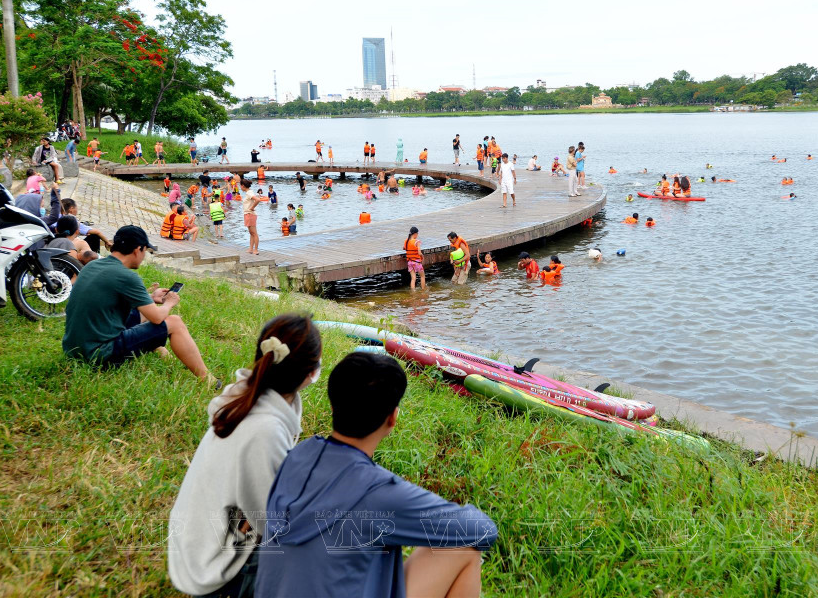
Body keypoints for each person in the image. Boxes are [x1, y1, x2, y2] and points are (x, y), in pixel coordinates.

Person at [255, 352, 496, 598]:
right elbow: (483, 530)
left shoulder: (297, 456)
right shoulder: (378, 492)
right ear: (393, 418)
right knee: (464, 548)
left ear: (333, 405)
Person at [169, 314, 322, 597]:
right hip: (211, 566)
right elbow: (275, 525)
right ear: (310, 373)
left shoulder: (244, 396)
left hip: (198, 538)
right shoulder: (265, 431)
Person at [62, 225, 211, 380]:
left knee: (141, 313)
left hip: (73, 350)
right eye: (145, 251)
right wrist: (169, 303)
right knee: (174, 322)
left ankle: (159, 349)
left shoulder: (93, 265)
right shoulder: (127, 276)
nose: (144, 255)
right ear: (137, 249)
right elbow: (157, 318)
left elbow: (109, 300)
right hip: (98, 355)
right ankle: (207, 379)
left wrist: (150, 298)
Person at [242, 179, 266, 255]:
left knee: (254, 233)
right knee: (251, 232)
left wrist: (252, 208)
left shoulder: (249, 193)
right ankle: (251, 248)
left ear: (243, 186)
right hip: (247, 214)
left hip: (250, 214)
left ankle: (256, 249)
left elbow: (258, 200)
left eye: (241, 186)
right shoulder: (248, 193)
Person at [403, 226, 425, 290]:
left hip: (410, 262)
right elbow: (419, 253)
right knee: (422, 276)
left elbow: (404, 248)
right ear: (415, 234)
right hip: (417, 262)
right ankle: (423, 290)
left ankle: (413, 291)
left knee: (413, 278)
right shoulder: (417, 241)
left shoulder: (406, 241)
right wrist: (422, 257)